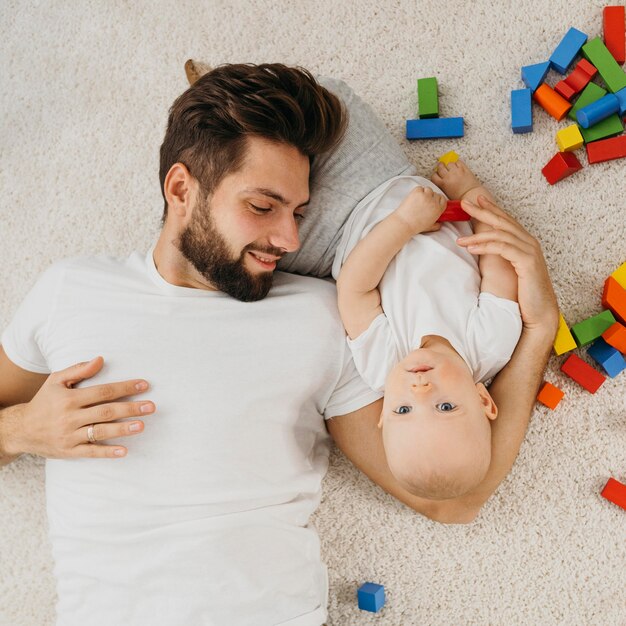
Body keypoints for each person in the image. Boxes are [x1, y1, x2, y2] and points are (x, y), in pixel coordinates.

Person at [0, 63, 559, 626]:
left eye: (298, 213)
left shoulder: (322, 315)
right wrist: (23, 428)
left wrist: (538, 330)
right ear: (180, 190)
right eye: (262, 207)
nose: (289, 239)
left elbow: (454, 498)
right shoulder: (71, 290)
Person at [334, 159, 523, 501]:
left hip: (357, 221)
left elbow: (354, 288)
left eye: (403, 410)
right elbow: (497, 256)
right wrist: (470, 195)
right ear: (483, 399)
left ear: (383, 415)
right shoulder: (492, 341)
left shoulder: (381, 367)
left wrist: (404, 223)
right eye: (446, 407)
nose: (420, 390)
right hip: (434, 204)